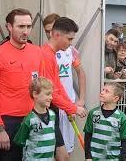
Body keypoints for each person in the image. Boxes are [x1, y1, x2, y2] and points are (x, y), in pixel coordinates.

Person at [0, 8, 45, 161]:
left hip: (33, 117)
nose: (25, 31)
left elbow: (42, 87)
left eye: (28, 27)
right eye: (21, 26)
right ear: (9, 27)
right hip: (8, 122)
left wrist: (44, 117)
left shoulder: (37, 52)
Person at [41, 16, 87, 160]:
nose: (70, 43)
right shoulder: (46, 55)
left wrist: (70, 106)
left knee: (64, 156)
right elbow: (50, 92)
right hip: (47, 110)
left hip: (56, 107)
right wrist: (72, 108)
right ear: (56, 35)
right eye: (69, 39)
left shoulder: (52, 54)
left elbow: (58, 86)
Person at [84, 82, 126, 161]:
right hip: (95, 158)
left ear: (115, 98)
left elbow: (125, 141)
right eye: (103, 90)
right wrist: (88, 157)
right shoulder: (93, 113)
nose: (102, 92)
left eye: (107, 91)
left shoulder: (121, 118)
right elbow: (87, 136)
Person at [14, 77, 56, 160]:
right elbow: (19, 141)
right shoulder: (29, 119)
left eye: (51, 94)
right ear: (35, 94)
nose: (51, 97)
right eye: (47, 94)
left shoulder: (52, 115)